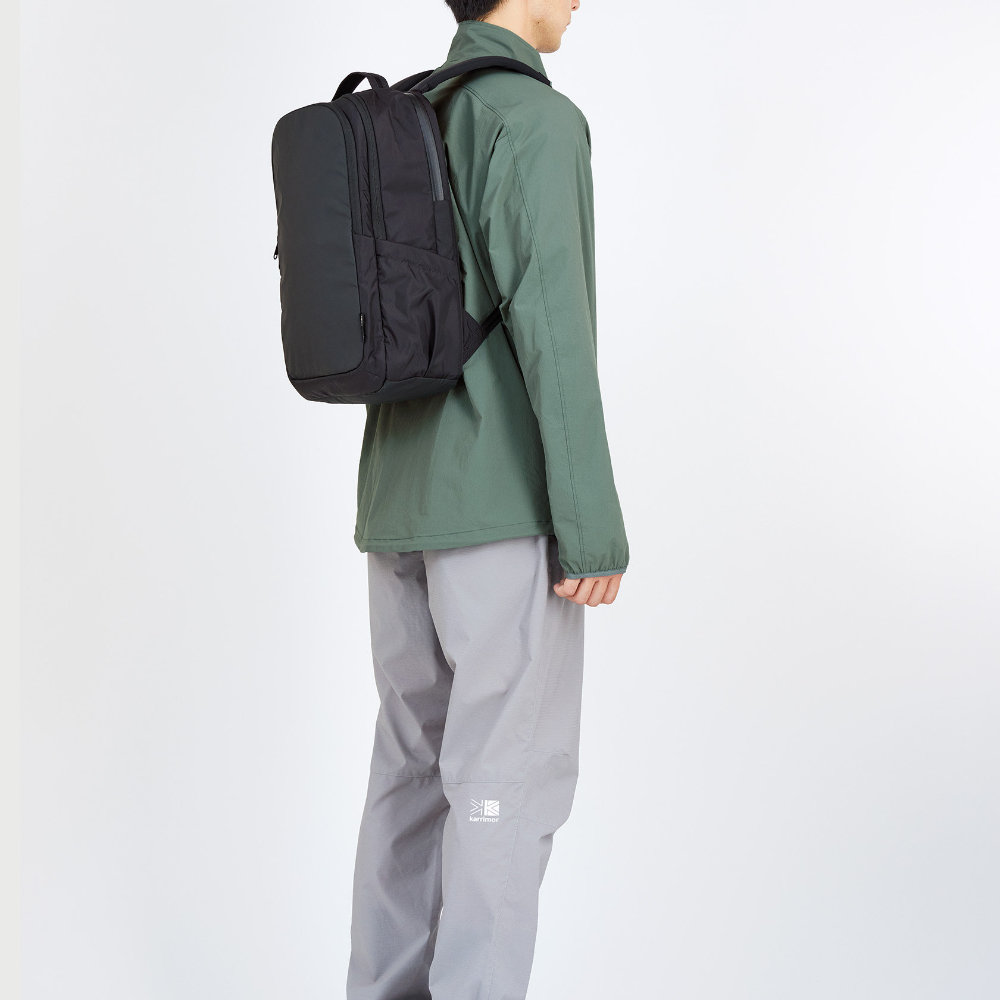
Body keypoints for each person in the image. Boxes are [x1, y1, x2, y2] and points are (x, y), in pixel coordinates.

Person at [347, 2, 628, 997]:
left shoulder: (413, 115)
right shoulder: (533, 120)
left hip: (396, 502)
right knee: (505, 782)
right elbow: (556, 332)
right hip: (497, 509)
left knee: (410, 777)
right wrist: (591, 527)